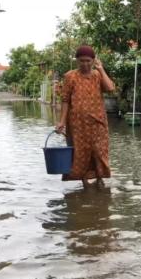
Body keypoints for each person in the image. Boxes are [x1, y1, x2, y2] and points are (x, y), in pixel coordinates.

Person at [55, 45, 115, 188]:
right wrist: (62, 121)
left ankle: (100, 178)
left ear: (93, 61)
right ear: (77, 61)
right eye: (82, 61)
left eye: (88, 61)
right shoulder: (70, 76)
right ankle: (84, 180)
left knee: (99, 150)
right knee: (80, 152)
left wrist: (101, 69)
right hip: (77, 124)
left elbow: (111, 88)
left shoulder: (97, 75)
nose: (85, 64)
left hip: (98, 122)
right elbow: (65, 100)